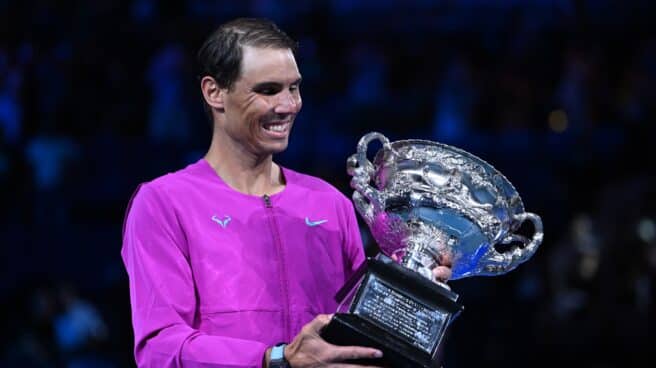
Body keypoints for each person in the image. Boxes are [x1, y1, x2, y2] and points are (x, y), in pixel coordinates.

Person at [121, 17, 452, 368]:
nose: (288, 105)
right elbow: (160, 350)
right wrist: (275, 360)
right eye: (267, 90)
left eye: (293, 88)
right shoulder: (164, 203)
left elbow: (364, 340)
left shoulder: (329, 203)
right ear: (214, 92)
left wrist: (416, 295)